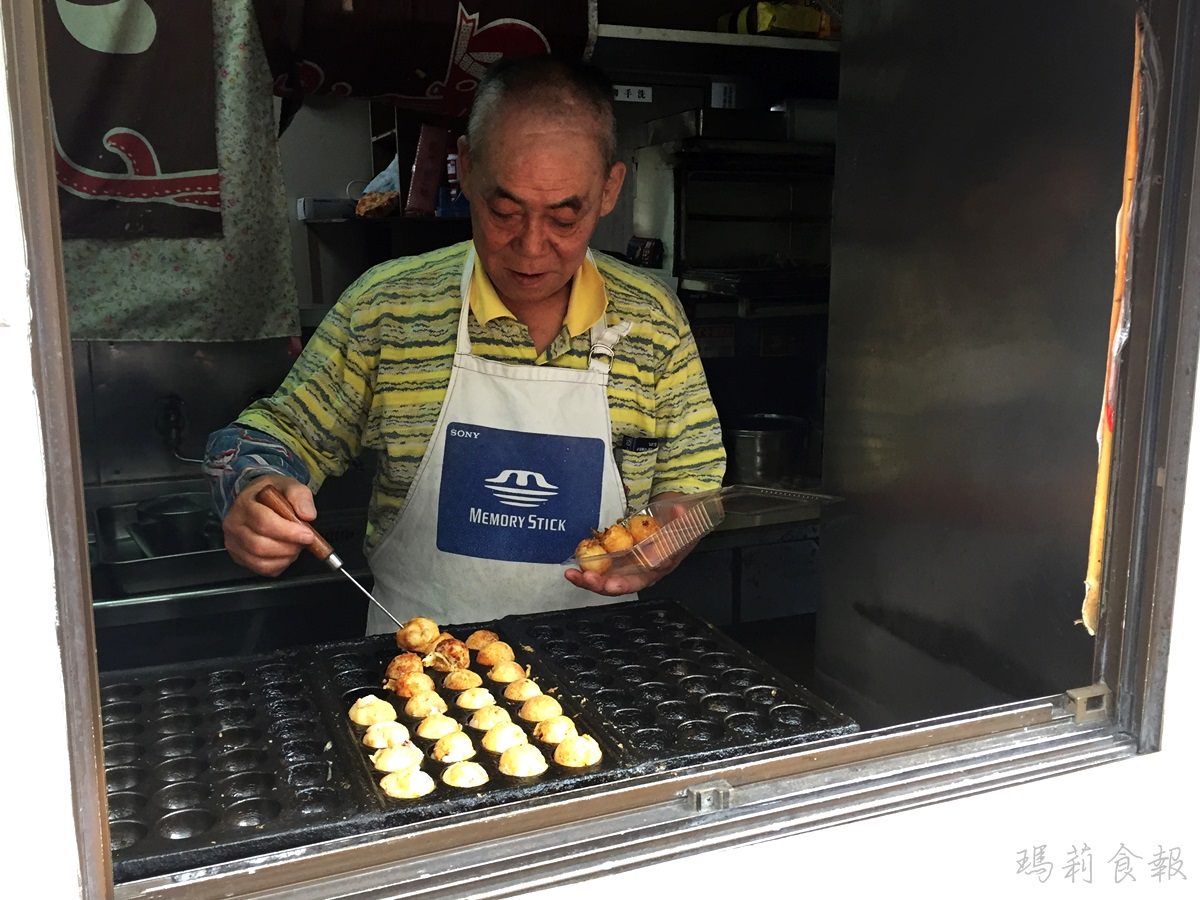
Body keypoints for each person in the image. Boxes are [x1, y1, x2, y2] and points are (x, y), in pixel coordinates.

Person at [205, 55, 725, 632]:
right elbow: (270, 434)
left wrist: (672, 532)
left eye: (563, 219)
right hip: (416, 673)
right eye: (504, 210)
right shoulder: (390, 307)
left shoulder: (651, 321)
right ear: (467, 168)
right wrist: (254, 485)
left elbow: (695, 489)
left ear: (609, 189)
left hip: (595, 666)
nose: (530, 248)